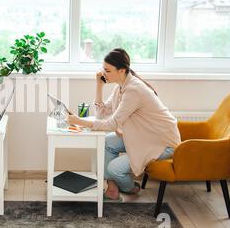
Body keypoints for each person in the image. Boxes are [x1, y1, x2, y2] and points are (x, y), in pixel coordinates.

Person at [67, 48, 181, 201]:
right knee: (106, 142)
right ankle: (112, 190)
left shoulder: (134, 90)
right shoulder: (120, 87)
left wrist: (79, 121)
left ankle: (131, 188)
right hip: (143, 137)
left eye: (107, 70)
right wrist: (99, 85)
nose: (103, 73)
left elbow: (112, 123)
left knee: (114, 169)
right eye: (103, 69)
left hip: (161, 142)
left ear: (121, 70)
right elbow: (102, 113)